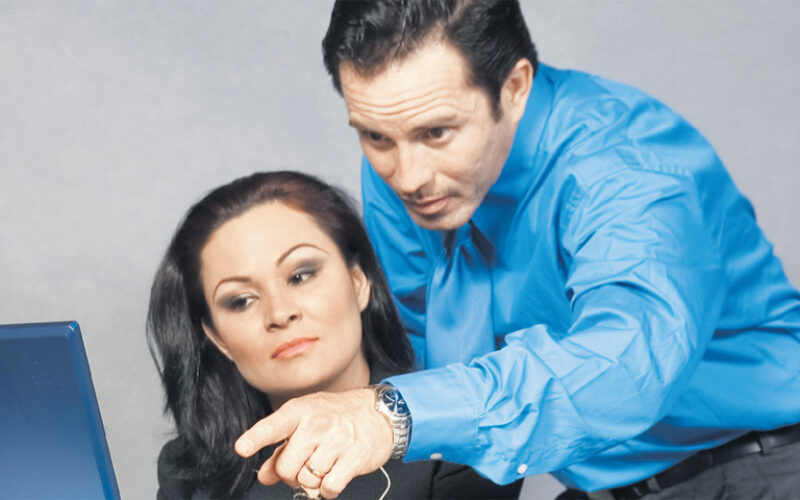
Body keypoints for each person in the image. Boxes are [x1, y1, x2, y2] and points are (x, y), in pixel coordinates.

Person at [234, 1, 800, 499]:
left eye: (437, 133)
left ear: (515, 86)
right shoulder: (408, 164)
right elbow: (415, 348)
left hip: (756, 467)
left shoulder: (627, 171)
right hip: (600, 487)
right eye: (375, 136)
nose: (407, 177)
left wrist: (392, 415)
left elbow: (625, 368)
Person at [146, 171, 523, 499]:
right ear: (217, 338)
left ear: (359, 283)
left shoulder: (454, 431)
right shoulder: (188, 472)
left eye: (301, 275)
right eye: (241, 301)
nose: (280, 313)